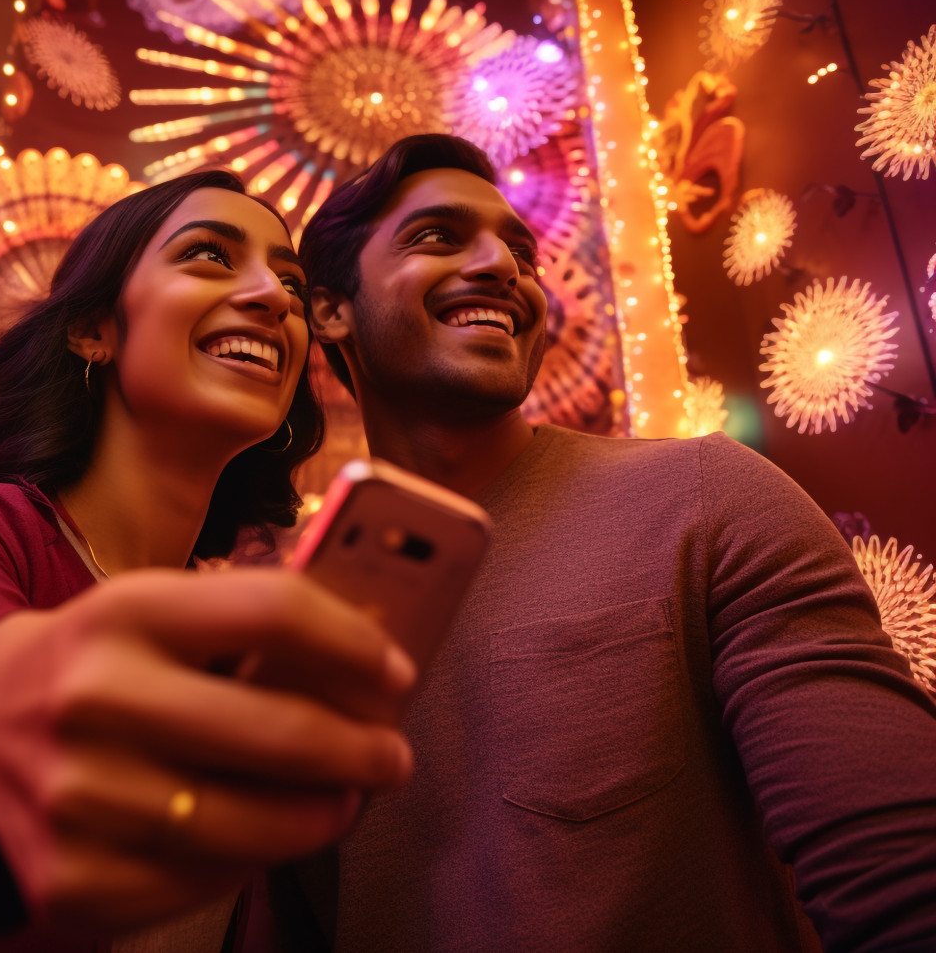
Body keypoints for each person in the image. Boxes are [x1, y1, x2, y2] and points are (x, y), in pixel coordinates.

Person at [283, 133, 936, 952]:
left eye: (520, 249)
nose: (503, 267)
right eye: (439, 237)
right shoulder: (291, 620)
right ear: (330, 309)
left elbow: (900, 873)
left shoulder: (705, 497)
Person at [0, 169, 418, 952]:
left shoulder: (243, 633)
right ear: (93, 329)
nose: (273, 296)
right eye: (208, 255)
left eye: (292, 285)